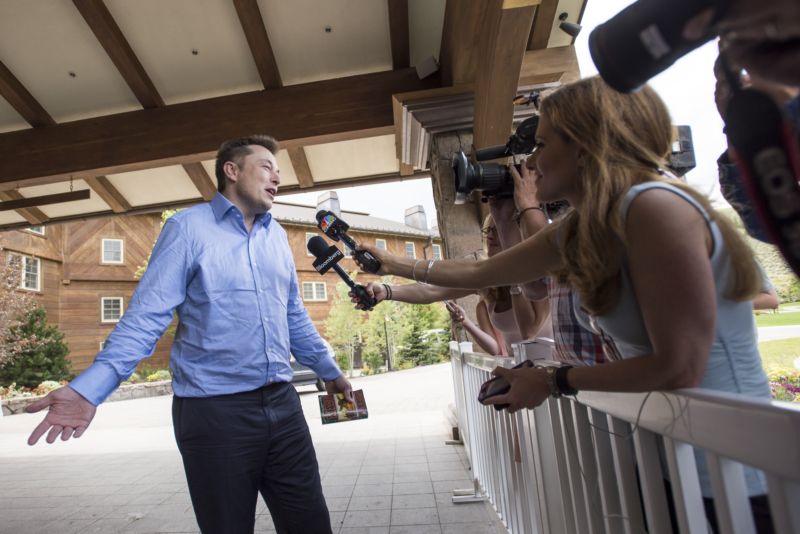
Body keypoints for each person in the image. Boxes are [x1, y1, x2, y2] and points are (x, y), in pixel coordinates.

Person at [355, 77, 772, 531]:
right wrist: (390, 263)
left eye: (542, 143)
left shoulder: (654, 207)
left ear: (587, 144)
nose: (531, 162)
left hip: (736, 473)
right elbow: (482, 274)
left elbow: (680, 367)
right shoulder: (593, 222)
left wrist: (553, 380)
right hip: (675, 460)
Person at [25, 135, 352, 534]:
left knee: (311, 524)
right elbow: (146, 317)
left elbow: (293, 316)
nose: (277, 178)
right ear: (231, 171)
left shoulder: (277, 236)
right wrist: (89, 389)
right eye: (266, 167)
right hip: (215, 415)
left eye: (278, 171)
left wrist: (330, 371)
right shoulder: (186, 228)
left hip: (284, 408)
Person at [355, 212, 550, 356]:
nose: (490, 236)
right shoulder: (488, 279)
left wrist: (513, 275)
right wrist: (387, 291)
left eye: (498, 229)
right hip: (521, 371)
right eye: (488, 230)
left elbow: (530, 331)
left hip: (555, 373)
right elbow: (431, 290)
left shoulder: (542, 269)